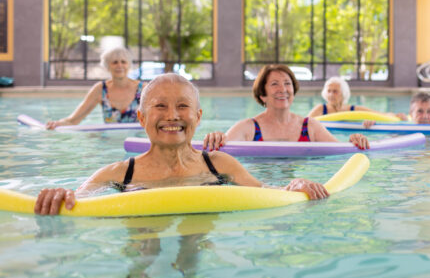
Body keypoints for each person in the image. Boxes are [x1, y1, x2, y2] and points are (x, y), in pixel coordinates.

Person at [34, 73, 328, 215]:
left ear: (198, 117)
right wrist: (59, 195)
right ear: (141, 117)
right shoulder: (118, 174)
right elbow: (78, 198)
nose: (172, 116)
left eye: (183, 106)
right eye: (160, 106)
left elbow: (266, 193)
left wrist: (295, 185)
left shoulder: (220, 165)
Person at [202, 64, 369, 151]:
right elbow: (218, 153)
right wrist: (216, 138)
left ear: (293, 91)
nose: (282, 89)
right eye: (274, 84)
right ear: (263, 94)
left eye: (287, 84)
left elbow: (341, 153)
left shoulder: (310, 127)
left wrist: (355, 141)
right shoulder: (248, 128)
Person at [45, 47, 144, 129]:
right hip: (109, 144)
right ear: (107, 66)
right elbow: (74, 120)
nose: (119, 65)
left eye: (123, 62)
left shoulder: (143, 89)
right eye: (115, 62)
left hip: (135, 141)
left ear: (129, 65)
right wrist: (57, 123)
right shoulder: (100, 90)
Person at [307, 76, 389, 118]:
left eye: (335, 91)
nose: (331, 94)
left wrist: (397, 116)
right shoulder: (320, 109)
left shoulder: (352, 110)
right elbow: (303, 124)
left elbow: (380, 115)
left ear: (343, 93)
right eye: (329, 91)